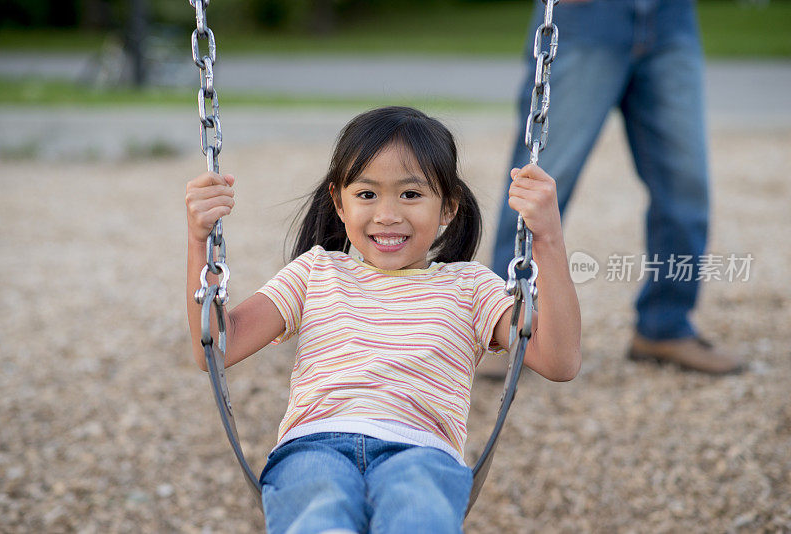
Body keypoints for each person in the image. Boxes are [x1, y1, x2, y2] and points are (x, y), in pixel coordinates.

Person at [185, 106, 581, 533]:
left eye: (410, 194)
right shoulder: (316, 272)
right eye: (367, 194)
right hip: (315, 445)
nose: (387, 214)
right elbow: (217, 348)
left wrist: (548, 238)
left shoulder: (471, 287)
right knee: (318, 512)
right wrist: (198, 239)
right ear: (339, 202)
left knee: (416, 514)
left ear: (448, 206)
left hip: (420, 452)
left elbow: (558, 361)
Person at [490, 0, 743, 376]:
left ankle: (665, 325)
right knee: (539, 178)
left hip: (671, 16)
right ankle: (503, 327)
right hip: (585, 16)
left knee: (685, 185)